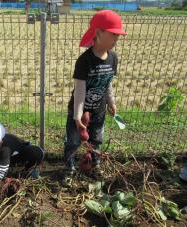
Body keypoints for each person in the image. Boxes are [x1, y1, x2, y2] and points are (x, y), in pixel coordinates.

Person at [63, 10, 126, 174]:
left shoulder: (113, 58)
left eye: (117, 36)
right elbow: (79, 90)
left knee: (97, 139)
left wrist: (111, 102)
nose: (116, 39)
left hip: (98, 111)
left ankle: (95, 164)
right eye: (113, 34)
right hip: (79, 110)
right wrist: (77, 115)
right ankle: (69, 167)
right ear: (98, 33)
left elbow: (108, 83)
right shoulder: (85, 61)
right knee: (74, 140)